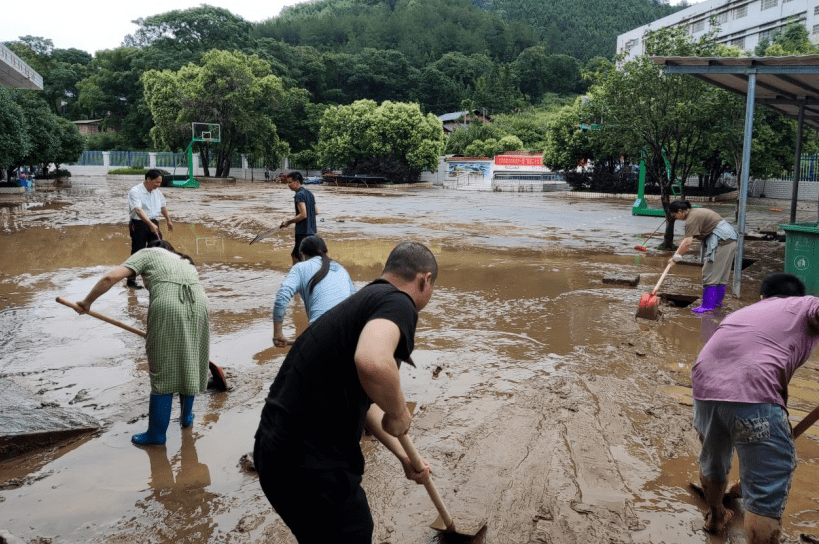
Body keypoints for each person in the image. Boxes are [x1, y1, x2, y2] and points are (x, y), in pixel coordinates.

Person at [254, 241, 437, 543]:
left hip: (275, 454)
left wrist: (404, 455)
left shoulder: (363, 302)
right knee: (352, 532)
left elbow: (366, 404)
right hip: (310, 462)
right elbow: (373, 362)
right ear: (424, 279)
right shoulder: (399, 303)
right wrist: (400, 412)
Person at [691, 273, 819, 542]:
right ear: (798, 296)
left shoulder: (743, 314)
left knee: (713, 461)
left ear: (762, 297)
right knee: (766, 487)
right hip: (753, 391)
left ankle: (715, 516)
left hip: (705, 389)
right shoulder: (804, 305)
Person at [74, 240, 210, 446]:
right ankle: (186, 418)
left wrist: (86, 302)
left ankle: (156, 435)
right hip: (199, 303)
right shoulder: (184, 260)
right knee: (189, 359)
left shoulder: (147, 253)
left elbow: (110, 277)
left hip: (168, 305)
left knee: (162, 368)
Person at [272, 235, 355, 347]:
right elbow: (355, 302)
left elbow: (281, 297)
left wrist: (278, 334)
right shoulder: (341, 269)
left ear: (302, 254)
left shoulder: (300, 268)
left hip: (320, 333)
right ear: (325, 251)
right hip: (351, 334)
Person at [667, 200, 737, 313]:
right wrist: (676, 255)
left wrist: (675, 258)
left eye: (675, 215)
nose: (676, 218)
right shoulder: (696, 212)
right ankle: (717, 302)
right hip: (730, 239)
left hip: (721, 241)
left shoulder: (691, 219)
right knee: (721, 274)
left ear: (680, 211)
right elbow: (686, 241)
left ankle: (708, 305)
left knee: (709, 274)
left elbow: (687, 243)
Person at [128, 169, 174, 289]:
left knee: (159, 249)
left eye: (160, 183)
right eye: (156, 182)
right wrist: (149, 224)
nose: (158, 185)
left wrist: (168, 220)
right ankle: (131, 280)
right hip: (139, 224)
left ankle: (157, 276)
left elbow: (163, 206)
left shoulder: (157, 192)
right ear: (148, 180)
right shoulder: (135, 191)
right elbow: (138, 210)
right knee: (138, 251)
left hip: (153, 222)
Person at [279, 171, 317, 266]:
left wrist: (288, 222)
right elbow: (316, 211)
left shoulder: (299, 195)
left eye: (290, 182)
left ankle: (297, 277)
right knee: (305, 256)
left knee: (296, 256)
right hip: (312, 231)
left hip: (302, 231)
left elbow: (303, 215)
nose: (288, 185)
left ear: (297, 182)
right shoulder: (309, 194)